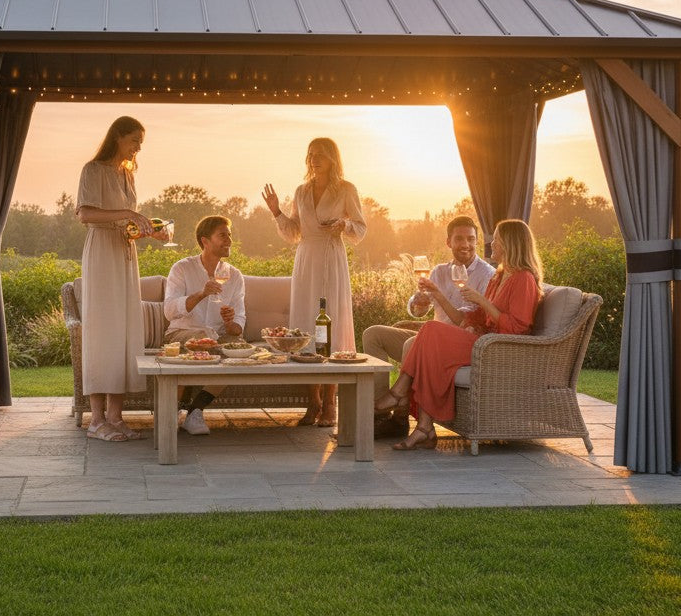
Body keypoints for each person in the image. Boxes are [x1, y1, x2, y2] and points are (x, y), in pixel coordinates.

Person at [376, 219, 543, 451]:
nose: (491, 243)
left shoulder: (523, 279)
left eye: (496, 239)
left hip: (495, 348)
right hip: (482, 339)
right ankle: (424, 428)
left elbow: (518, 329)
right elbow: (474, 317)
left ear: (510, 243)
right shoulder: (500, 275)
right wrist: (446, 301)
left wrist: (482, 301)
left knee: (430, 331)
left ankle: (400, 393)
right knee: (430, 338)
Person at [75, 116, 168, 442]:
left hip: (125, 255)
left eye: (140, 142)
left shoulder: (127, 174)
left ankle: (115, 417)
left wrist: (148, 231)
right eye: (134, 140)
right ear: (117, 137)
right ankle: (96, 420)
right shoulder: (93, 170)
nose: (138, 147)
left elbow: (125, 224)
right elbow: (86, 214)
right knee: (103, 332)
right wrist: (129, 214)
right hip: (102, 254)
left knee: (124, 333)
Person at [262, 137, 366, 427]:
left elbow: (360, 228)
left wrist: (344, 225)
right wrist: (276, 211)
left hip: (332, 257)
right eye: (310, 155)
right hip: (306, 258)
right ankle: (313, 402)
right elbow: (294, 232)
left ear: (332, 158)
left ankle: (331, 403)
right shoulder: (301, 191)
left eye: (320, 154)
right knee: (306, 325)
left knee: (331, 325)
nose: (314, 159)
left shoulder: (346, 189)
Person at [362, 215, 494, 438]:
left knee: (411, 343)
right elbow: (417, 311)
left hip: (455, 345)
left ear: (477, 241)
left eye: (471, 239)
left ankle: (399, 419)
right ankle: (379, 416)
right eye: (459, 239)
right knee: (372, 334)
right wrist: (418, 303)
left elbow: (469, 320)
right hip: (429, 336)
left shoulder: (486, 274)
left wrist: (438, 296)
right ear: (448, 242)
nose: (466, 244)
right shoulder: (439, 271)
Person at [162, 215, 245, 436]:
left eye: (229, 235)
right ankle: (173, 411)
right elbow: (169, 311)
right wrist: (201, 293)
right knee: (200, 339)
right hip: (182, 332)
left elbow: (238, 326)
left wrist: (230, 322)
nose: (229, 240)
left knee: (238, 351)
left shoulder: (234, 275)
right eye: (222, 235)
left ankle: (195, 411)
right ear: (205, 241)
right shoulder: (182, 268)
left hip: (217, 336)